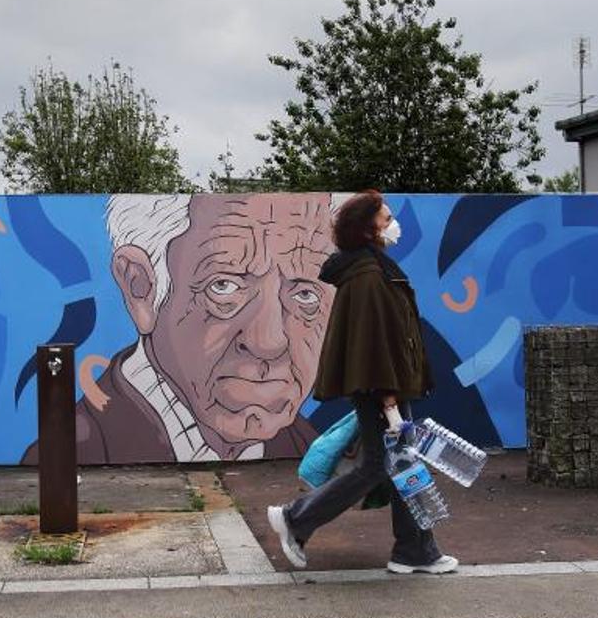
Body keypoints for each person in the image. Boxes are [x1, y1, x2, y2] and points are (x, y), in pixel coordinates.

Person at [23, 193, 341, 464]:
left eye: (306, 295)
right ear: (141, 289)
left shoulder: (303, 446)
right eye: (224, 286)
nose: (269, 341)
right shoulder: (74, 453)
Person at [267, 190, 459, 574]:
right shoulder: (368, 276)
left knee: (402, 461)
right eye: (387, 220)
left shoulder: (370, 269)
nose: (393, 225)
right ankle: (295, 518)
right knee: (377, 465)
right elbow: (373, 340)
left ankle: (415, 551)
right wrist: (388, 398)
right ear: (369, 229)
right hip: (381, 387)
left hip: (384, 384)